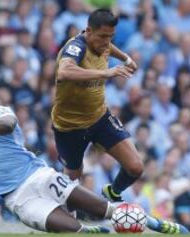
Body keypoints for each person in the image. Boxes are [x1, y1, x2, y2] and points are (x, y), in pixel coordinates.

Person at [0, 77, 188, 234]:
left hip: (40, 176)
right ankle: (102, 234)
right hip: (17, 199)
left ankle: (154, 224)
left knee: (104, 208)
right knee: (75, 232)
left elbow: (6, 125)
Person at [51, 8, 141, 202]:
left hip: (99, 118)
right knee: (73, 178)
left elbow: (108, 46)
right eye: (102, 36)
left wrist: (126, 58)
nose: (106, 42)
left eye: (111, 36)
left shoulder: (102, 42)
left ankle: (112, 192)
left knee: (135, 167)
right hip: (69, 125)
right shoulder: (76, 47)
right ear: (88, 31)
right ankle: (70, 221)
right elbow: (64, 72)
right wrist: (105, 73)